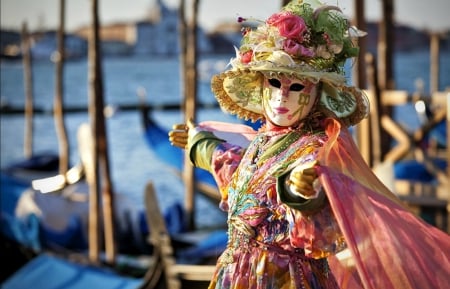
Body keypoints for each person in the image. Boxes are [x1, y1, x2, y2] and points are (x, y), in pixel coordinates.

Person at [169, 1, 450, 288]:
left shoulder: (315, 147)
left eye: (297, 87)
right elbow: (235, 166)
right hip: (235, 275)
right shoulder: (263, 141)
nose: (282, 97)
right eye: (275, 83)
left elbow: (310, 185)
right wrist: (198, 141)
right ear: (261, 85)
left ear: (317, 94)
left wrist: (301, 188)